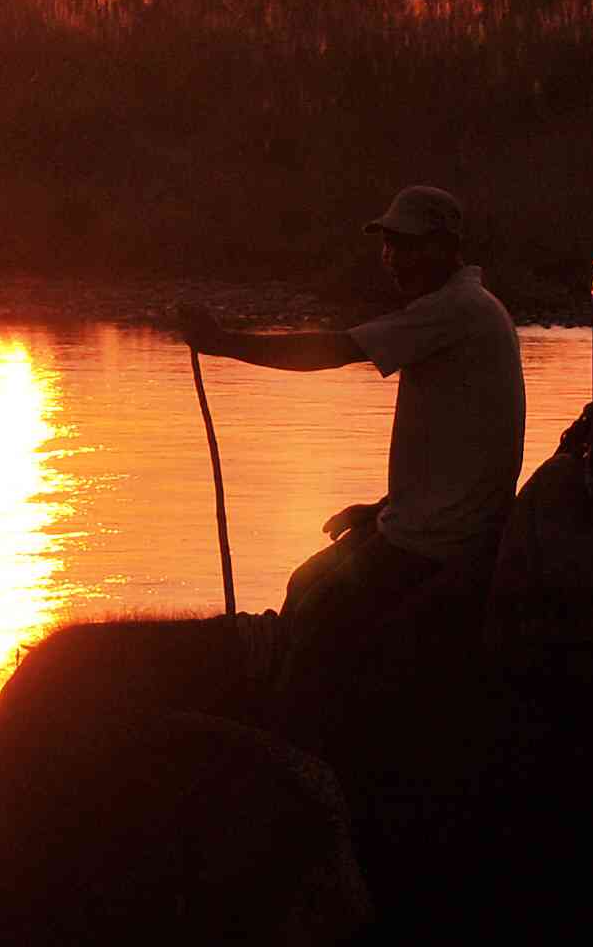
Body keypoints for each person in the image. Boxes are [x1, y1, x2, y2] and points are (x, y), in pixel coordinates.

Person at [179, 186, 524, 716]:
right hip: (424, 521)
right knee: (305, 581)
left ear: (444, 247)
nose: (394, 259)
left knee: (322, 613)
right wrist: (384, 507)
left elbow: (338, 350)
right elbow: (460, 445)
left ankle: (301, 734)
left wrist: (225, 343)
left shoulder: (456, 310)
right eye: (388, 245)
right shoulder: (460, 310)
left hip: (442, 538)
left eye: (407, 245)